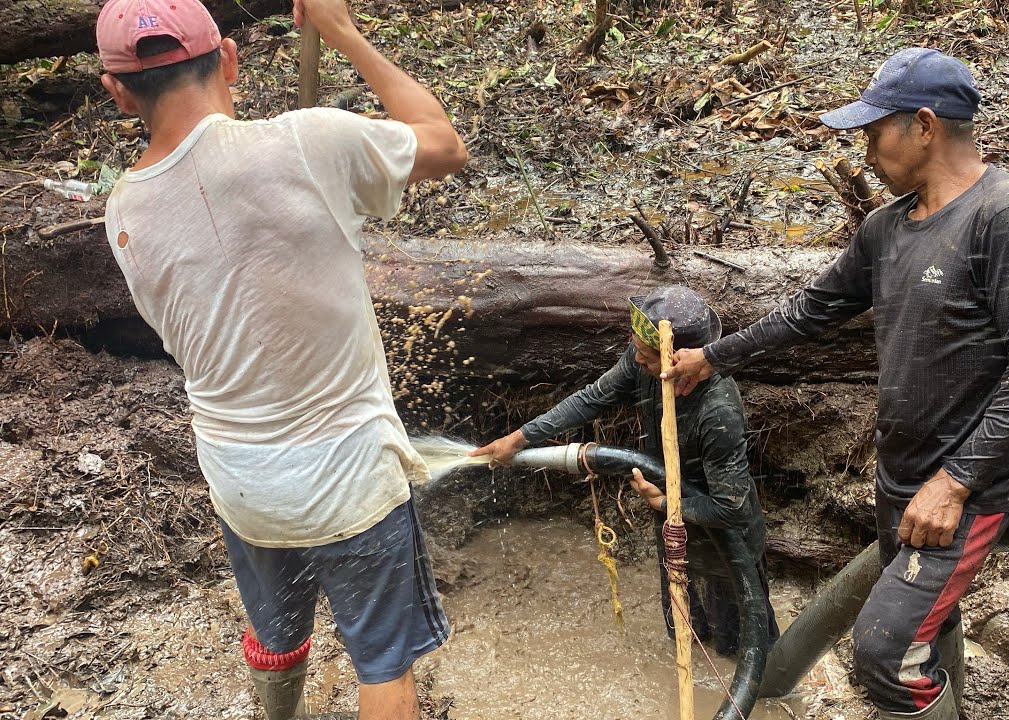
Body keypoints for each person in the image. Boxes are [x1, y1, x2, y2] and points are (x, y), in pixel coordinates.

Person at [664, 48, 1009, 720]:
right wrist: (714, 357)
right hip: (899, 476)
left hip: (964, 488)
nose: (865, 151)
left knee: (883, 650)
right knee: (925, 629)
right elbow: (810, 310)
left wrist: (956, 482)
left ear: (922, 125)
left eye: (872, 133)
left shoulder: (1006, 217)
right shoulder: (887, 227)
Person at [94, 0, 467, 717]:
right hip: (347, 480)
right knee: (383, 666)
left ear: (117, 91)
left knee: (277, 629)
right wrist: (343, 31)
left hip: (240, 479)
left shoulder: (123, 212)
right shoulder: (307, 141)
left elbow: (182, 337)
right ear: (229, 58)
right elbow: (443, 144)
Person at [471, 286, 780, 657]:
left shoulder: (717, 412)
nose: (635, 359)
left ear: (680, 362)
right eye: (633, 347)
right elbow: (592, 398)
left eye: (645, 355)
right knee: (685, 629)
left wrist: (667, 501)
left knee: (743, 646)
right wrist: (520, 438)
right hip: (672, 524)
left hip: (724, 542)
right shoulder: (645, 362)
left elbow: (730, 507)